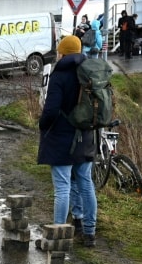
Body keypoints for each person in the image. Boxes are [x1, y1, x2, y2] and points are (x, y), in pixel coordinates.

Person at [37, 34, 97, 247]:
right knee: (85, 182)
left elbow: (51, 110)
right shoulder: (89, 71)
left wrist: (43, 125)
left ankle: (58, 235)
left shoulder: (59, 74)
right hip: (86, 135)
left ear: (63, 52)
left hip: (63, 137)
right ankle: (89, 232)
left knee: (62, 187)